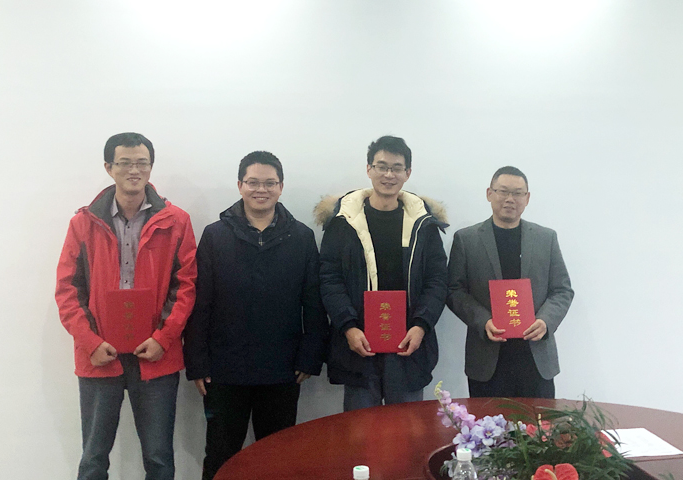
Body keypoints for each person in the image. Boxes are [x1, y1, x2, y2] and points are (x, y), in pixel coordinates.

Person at [55, 132, 197, 480]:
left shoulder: (176, 221)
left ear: (151, 167)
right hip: (99, 354)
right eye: (125, 163)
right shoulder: (83, 223)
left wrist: (163, 338)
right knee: (93, 458)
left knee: (159, 458)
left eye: (142, 163)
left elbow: (186, 286)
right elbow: (67, 290)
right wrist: (90, 342)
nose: (134, 170)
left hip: (156, 354)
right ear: (109, 167)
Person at [183, 151, 328, 480]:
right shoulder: (215, 236)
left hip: (282, 369)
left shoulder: (301, 237)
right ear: (239, 185)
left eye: (269, 183)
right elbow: (200, 303)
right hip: (224, 370)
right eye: (253, 182)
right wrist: (197, 362)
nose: (261, 189)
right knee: (220, 456)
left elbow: (314, 303)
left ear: (281, 187)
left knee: (278, 459)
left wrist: (309, 357)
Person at [315, 135, 448, 411]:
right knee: (361, 431)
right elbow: (329, 278)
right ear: (369, 169)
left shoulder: (424, 225)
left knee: (408, 430)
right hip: (359, 346)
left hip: (409, 346)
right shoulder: (343, 223)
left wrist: (421, 326)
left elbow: (437, 280)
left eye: (397, 168)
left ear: (407, 173)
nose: (389, 175)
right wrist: (348, 326)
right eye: (382, 166)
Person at [447, 166, 574, 398]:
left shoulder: (546, 238)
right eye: (503, 191)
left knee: (538, 421)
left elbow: (562, 290)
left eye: (517, 193)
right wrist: (483, 321)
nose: (510, 199)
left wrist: (545, 321)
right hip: (487, 357)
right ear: (489, 193)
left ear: (527, 198)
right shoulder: (466, 239)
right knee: (487, 422)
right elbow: (454, 291)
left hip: (536, 356)